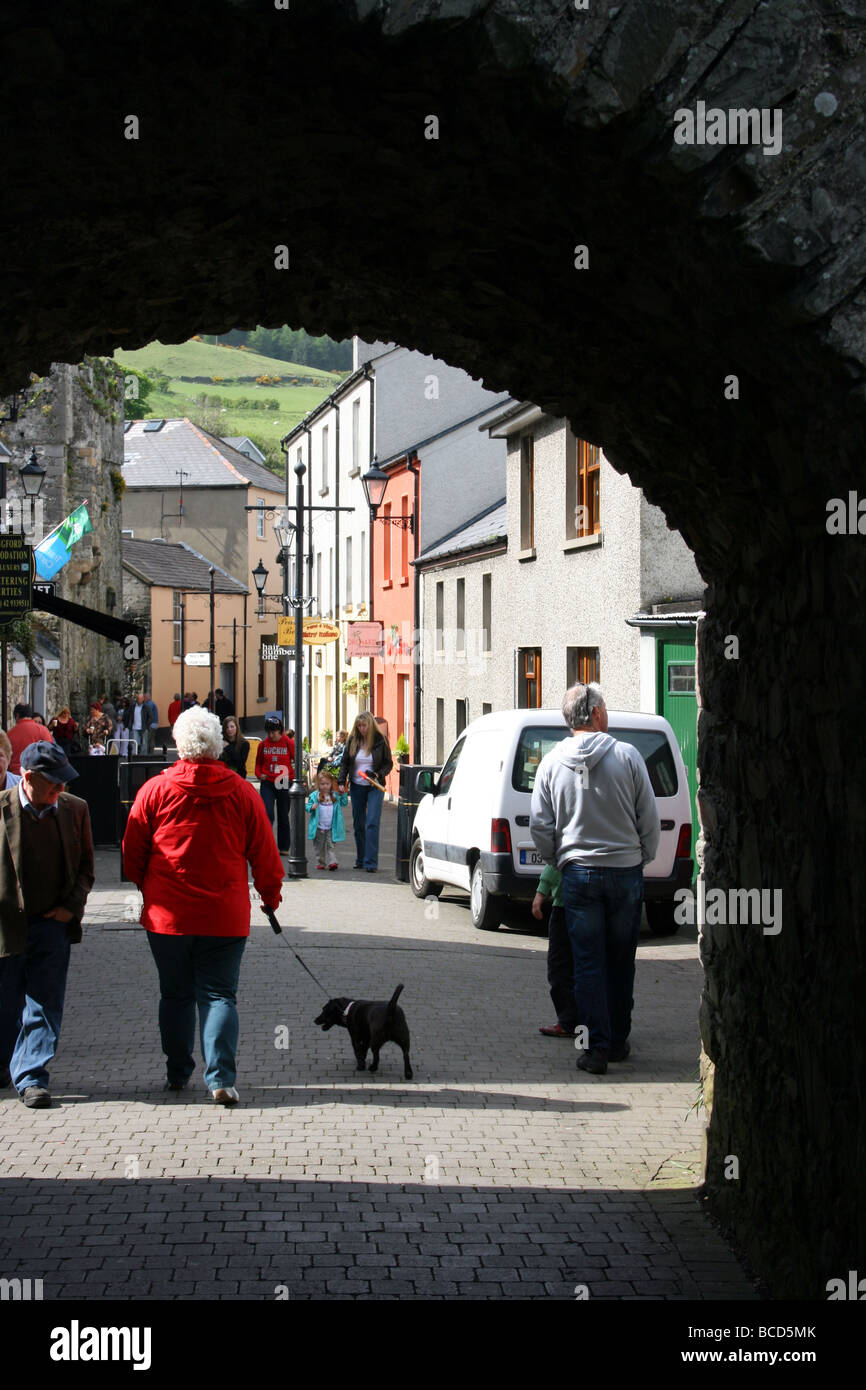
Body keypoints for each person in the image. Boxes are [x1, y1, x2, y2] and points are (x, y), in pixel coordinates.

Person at [122, 707, 284, 1105]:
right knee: (219, 995)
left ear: (178, 744)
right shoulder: (242, 792)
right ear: (218, 744)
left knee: (175, 995)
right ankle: (221, 1079)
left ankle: (178, 1071)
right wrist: (269, 897)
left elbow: (131, 853)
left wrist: (149, 887)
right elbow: (265, 853)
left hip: (168, 918)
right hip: (224, 916)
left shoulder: (155, 791)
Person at [530, 683, 660, 1075]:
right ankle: (618, 1040)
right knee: (621, 960)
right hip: (625, 874)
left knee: (586, 965)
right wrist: (642, 857)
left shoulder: (551, 763)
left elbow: (540, 824)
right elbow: (648, 818)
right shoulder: (628, 756)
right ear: (598, 715)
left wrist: (560, 859)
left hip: (579, 875)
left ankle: (596, 1048)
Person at [0, 742, 95, 1107]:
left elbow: (87, 867)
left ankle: (32, 1076)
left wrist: (70, 909)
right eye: (53, 784)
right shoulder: (3, 808)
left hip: (52, 924)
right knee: (7, 1002)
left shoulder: (75, 810)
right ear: (28, 778)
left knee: (44, 1003)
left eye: (63, 783)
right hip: (8, 925)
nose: (60, 791)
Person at [338, 710, 392, 872]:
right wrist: (341, 781)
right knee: (358, 823)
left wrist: (378, 774)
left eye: (364, 725)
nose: (362, 728)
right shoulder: (352, 740)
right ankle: (360, 858)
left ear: (370, 725)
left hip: (375, 785)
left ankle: (371, 862)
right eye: (359, 726)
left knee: (372, 823)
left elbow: (388, 763)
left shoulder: (379, 740)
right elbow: (345, 763)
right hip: (357, 786)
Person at [532, 863, 578, 1038]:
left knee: (559, 968)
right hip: (597, 906)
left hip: (565, 907)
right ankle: (593, 1022)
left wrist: (540, 892)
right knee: (589, 966)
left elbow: (556, 859)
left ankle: (568, 1021)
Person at [254, 714, 294, 854]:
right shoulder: (263, 744)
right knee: (267, 813)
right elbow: (258, 763)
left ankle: (283, 847)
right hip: (268, 783)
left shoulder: (288, 743)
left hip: (283, 781)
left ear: (280, 731)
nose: (271, 735)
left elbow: (297, 761)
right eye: (268, 732)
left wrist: (292, 777)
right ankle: (266, 844)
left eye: (274, 732)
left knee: (283, 814)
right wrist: (260, 775)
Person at [306, 769, 347, 870]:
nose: (325, 786)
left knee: (331, 846)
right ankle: (321, 862)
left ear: (331, 784)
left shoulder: (335, 795)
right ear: (318, 785)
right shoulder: (314, 796)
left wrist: (343, 794)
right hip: (319, 827)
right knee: (319, 847)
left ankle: (333, 862)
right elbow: (307, 806)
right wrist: (311, 807)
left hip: (331, 827)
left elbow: (344, 803)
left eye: (327, 783)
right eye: (322, 784)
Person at [8, 704, 54, 776]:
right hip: (39, 776)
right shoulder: (43, 730)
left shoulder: (10, 734)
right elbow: (51, 753)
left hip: (16, 775)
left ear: (17, 716)